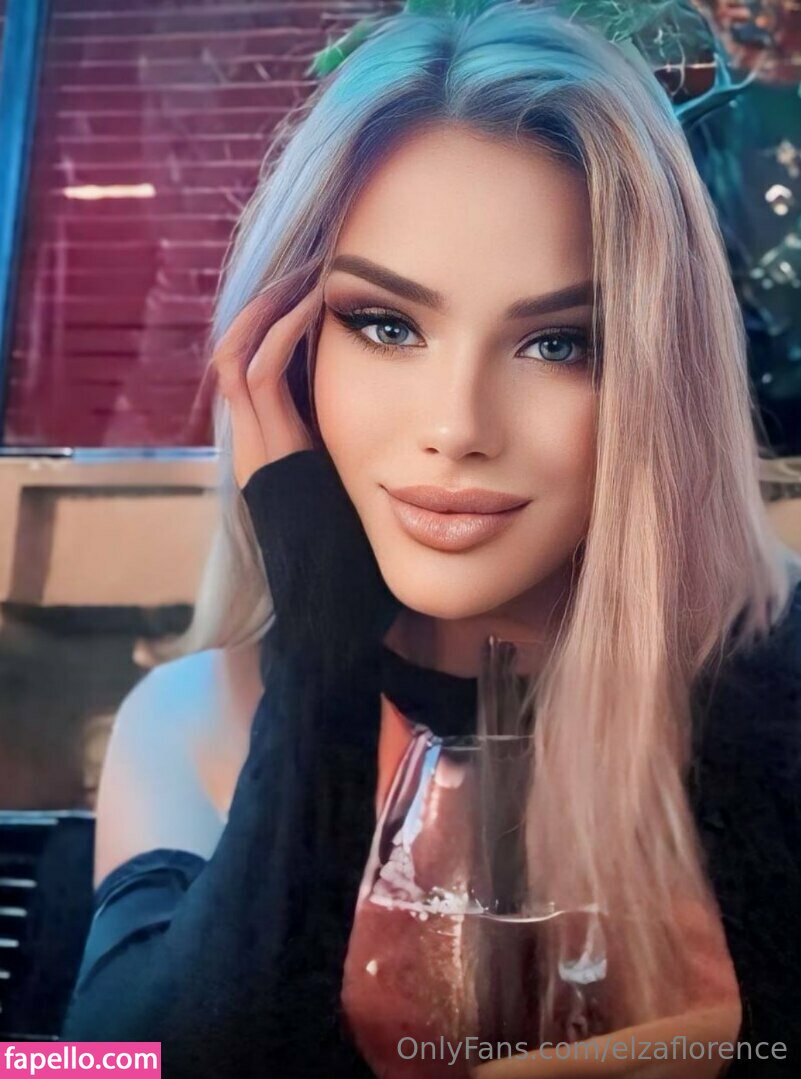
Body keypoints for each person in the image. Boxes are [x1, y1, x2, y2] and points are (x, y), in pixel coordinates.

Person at [61, 1, 801, 1075]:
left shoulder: (771, 680)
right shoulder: (190, 723)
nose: (457, 426)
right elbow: (102, 1065)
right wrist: (321, 651)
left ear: (660, 374)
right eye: (387, 324)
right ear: (283, 356)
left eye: (560, 343)